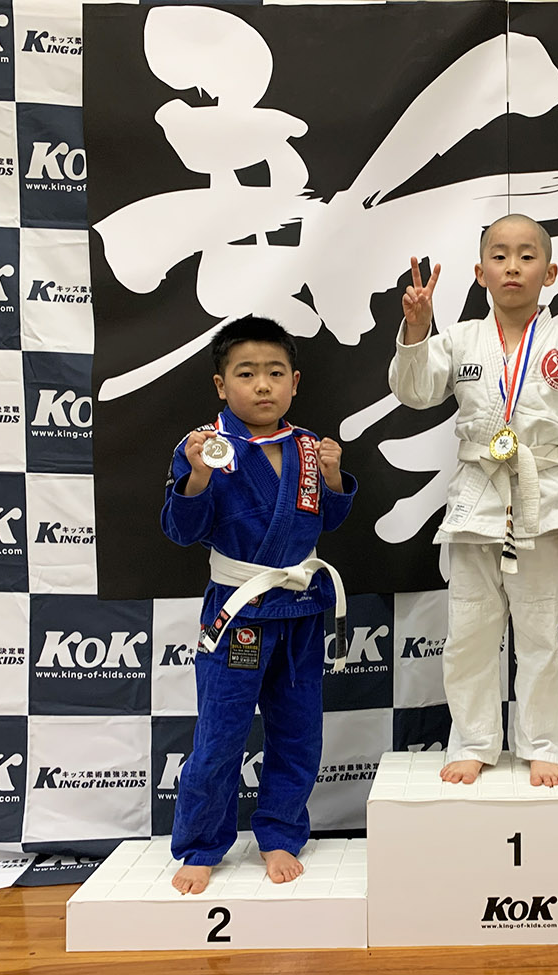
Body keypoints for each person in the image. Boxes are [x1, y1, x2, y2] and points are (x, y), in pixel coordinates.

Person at [389, 214, 558, 788]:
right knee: (470, 632)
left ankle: (542, 742)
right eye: (500, 256)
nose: (513, 266)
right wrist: (416, 330)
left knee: (538, 633)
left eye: (527, 256)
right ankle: (473, 741)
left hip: (541, 499)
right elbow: (414, 392)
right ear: (480, 272)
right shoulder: (460, 338)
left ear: (549, 272)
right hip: (475, 500)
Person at [161, 315, 356, 895]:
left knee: (297, 731)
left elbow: (326, 521)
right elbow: (181, 530)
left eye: (275, 372)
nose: (262, 385)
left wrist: (334, 477)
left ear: (295, 382)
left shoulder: (308, 447)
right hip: (238, 610)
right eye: (246, 373)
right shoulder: (206, 447)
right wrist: (197, 478)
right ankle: (201, 845)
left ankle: (280, 834)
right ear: (221, 385)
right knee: (220, 735)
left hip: (301, 608)